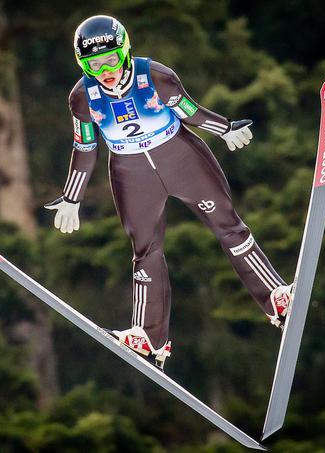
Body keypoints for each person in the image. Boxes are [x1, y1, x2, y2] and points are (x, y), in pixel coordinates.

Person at [45, 15, 293, 370]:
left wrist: (224, 129)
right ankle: (149, 339)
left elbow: (189, 111)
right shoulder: (83, 97)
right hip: (131, 172)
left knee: (227, 225)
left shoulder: (155, 76)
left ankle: (276, 299)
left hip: (179, 156)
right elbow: (84, 147)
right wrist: (71, 198)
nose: (105, 70)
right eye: (93, 64)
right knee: (145, 249)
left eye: (112, 59)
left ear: (125, 51)